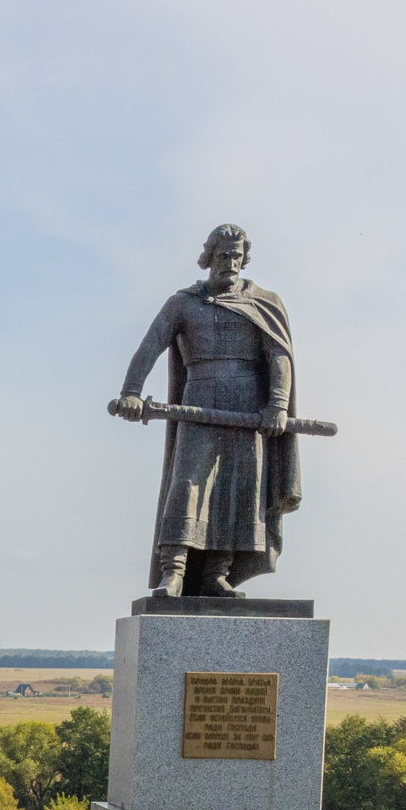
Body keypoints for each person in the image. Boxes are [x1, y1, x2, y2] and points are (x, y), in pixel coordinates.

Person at [114, 224, 303, 597]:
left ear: (244, 259)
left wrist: (278, 403)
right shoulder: (183, 303)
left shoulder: (264, 301)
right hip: (198, 398)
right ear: (208, 259)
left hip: (248, 404)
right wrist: (131, 392)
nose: (230, 263)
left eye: (237, 256)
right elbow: (150, 346)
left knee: (238, 488)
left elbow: (278, 355)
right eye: (223, 256)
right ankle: (174, 572)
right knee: (188, 483)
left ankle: (218, 573)